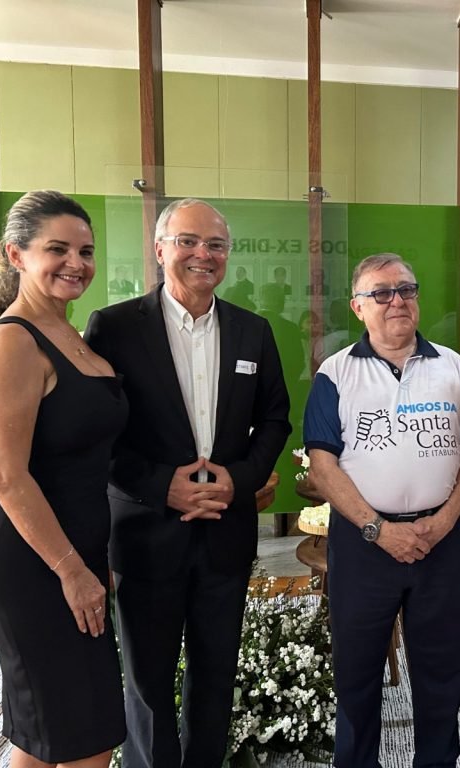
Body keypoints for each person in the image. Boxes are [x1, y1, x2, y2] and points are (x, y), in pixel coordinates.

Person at [84, 198, 291, 768]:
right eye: (188, 241)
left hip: (226, 531)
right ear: (160, 250)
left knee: (216, 677)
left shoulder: (253, 331)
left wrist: (240, 480)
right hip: (147, 533)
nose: (204, 253)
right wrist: (161, 486)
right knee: (147, 683)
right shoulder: (114, 328)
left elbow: (275, 417)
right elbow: (98, 432)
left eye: (216, 244)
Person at [0, 190, 127, 768]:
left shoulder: (68, 333)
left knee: (51, 726)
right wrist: (71, 570)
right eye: (57, 249)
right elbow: (6, 476)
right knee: (83, 735)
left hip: (71, 547)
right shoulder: (11, 342)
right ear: (17, 254)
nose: (75, 263)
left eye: (86, 251)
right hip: (28, 556)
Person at [303, 253, 460, 768]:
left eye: (406, 289)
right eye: (381, 293)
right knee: (357, 671)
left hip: (440, 541)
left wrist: (445, 520)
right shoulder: (335, 373)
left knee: (443, 667)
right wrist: (377, 529)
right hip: (363, 544)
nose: (396, 301)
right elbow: (323, 465)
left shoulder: (452, 367)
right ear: (358, 307)